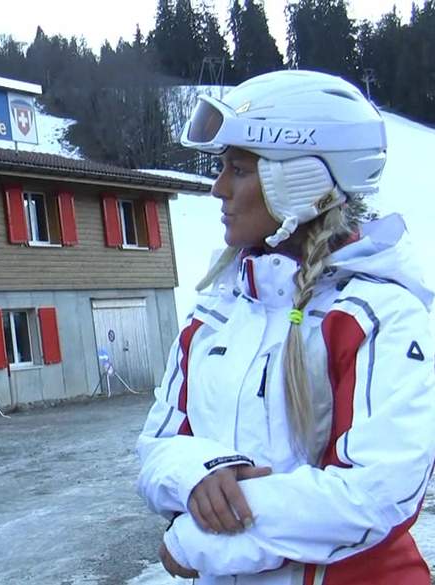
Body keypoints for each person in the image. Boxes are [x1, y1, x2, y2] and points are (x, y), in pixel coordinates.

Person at [136, 70, 435, 584]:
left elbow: (373, 496)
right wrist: (200, 474)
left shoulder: (379, 313)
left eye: (237, 170)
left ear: (300, 180)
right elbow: (157, 445)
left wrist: (200, 538)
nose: (218, 189)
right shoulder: (215, 313)